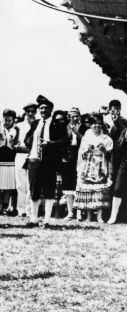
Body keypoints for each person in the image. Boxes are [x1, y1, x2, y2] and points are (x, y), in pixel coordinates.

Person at [25, 96, 67, 228]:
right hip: (35, 161)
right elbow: (27, 140)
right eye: (41, 108)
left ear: (51, 110)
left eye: (46, 108)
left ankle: (47, 220)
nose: (43, 110)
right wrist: (32, 142)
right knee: (34, 190)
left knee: (49, 190)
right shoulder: (35, 123)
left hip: (49, 162)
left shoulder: (58, 124)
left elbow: (65, 141)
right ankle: (33, 219)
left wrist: (50, 144)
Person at [75, 114, 113, 221]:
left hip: (101, 166)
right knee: (88, 190)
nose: (97, 126)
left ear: (102, 125)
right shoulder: (86, 138)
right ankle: (88, 215)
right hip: (88, 165)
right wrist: (87, 150)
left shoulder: (107, 138)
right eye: (94, 124)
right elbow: (81, 154)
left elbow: (110, 156)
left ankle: (99, 216)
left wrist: (104, 150)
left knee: (99, 191)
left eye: (99, 124)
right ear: (91, 125)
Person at [13, 103, 38, 217]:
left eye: (33, 111)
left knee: (30, 184)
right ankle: (20, 209)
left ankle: (29, 210)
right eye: (29, 111)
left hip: (32, 156)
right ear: (25, 112)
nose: (31, 113)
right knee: (20, 185)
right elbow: (13, 144)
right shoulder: (18, 126)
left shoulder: (38, 124)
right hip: (20, 156)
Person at [0, 110, 19, 215]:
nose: (7, 122)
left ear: (13, 120)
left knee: (7, 185)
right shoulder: (0, 129)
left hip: (10, 160)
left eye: (9, 120)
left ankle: (5, 206)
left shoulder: (16, 130)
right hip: (0, 159)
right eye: (5, 120)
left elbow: (13, 144)